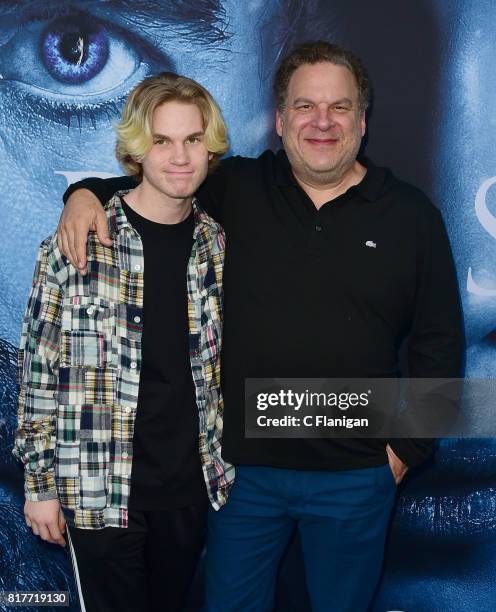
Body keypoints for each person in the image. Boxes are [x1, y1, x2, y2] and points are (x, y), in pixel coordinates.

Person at [59, 40, 464, 612]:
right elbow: (156, 185)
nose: (322, 122)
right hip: (244, 477)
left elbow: (439, 342)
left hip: (356, 475)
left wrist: (407, 449)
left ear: (363, 120)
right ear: (279, 120)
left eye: (340, 107)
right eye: (305, 106)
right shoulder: (238, 187)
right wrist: (82, 195)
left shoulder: (412, 215)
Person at [13, 72, 234, 612]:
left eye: (193, 140)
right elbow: (40, 370)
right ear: (138, 149)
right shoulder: (78, 243)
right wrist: (39, 485)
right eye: (162, 140)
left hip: (190, 491)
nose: (180, 156)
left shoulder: (218, 245)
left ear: (210, 148)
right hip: (99, 491)